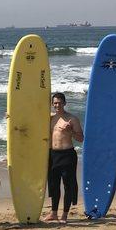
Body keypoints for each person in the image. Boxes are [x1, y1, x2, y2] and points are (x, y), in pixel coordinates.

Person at [44, 92, 83, 223]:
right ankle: (54, 213)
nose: (57, 105)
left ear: (65, 103)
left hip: (67, 154)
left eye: (60, 103)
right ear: (52, 104)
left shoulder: (72, 119)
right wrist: (10, 116)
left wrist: (70, 131)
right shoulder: (49, 118)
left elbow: (81, 138)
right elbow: (30, 120)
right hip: (53, 154)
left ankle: (65, 215)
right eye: (55, 103)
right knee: (54, 185)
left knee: (68, 184)